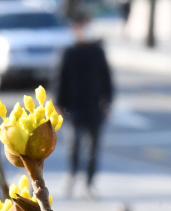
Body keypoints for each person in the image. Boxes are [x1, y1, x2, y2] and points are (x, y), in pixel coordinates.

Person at [56, 11, 113, 199]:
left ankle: (89, 182)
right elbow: (59, 81)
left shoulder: (98, 53)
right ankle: (72, 175)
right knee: (73, 145)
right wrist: (59, 105)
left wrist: (108, 102)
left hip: (94, 108)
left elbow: (107, 79)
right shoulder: (68, 53)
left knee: (93, 148)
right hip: (73, 109)